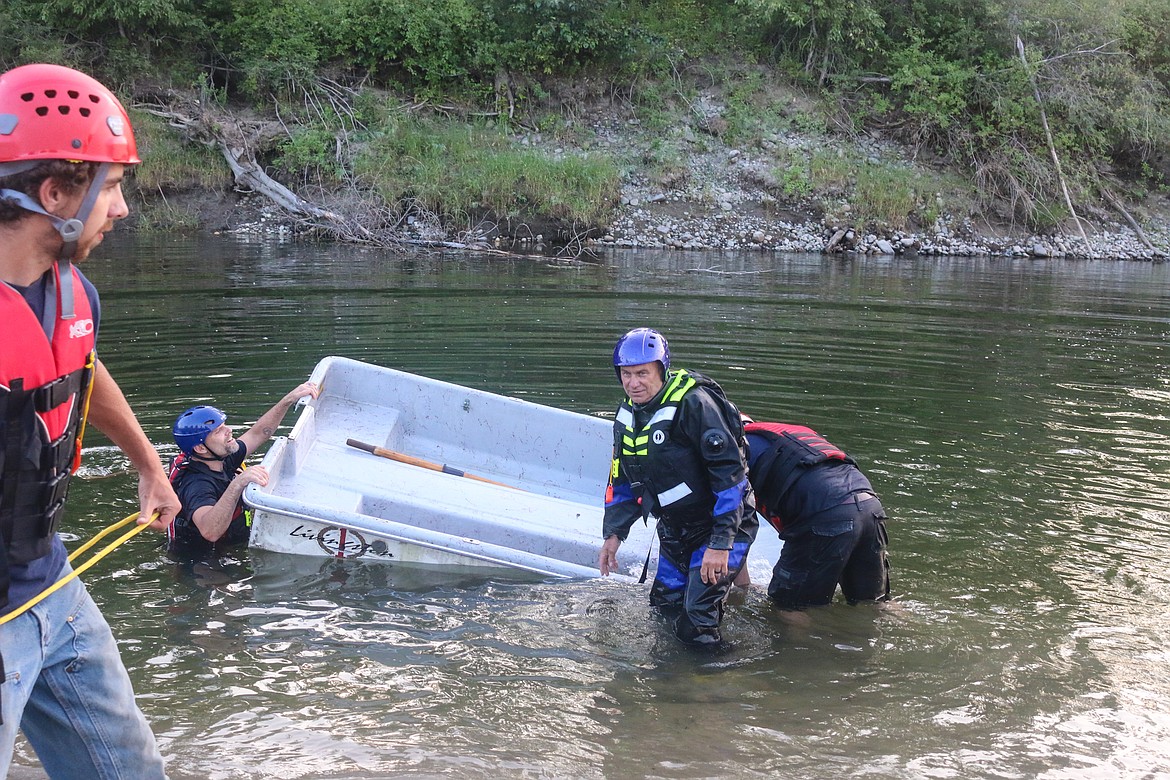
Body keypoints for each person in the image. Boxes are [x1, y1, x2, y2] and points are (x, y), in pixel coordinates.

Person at [0, 63, 180, 777]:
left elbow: (77, 371)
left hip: (51, 586)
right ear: (55, 193)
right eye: (110, 187)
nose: (123, 208)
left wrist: (147, 463)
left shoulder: (71, 294)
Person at [598, 328, 757, 646]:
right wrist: (613, 536)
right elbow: (624, 479)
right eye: (626, 374)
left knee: (696, 622)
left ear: (661, 369)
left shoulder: (694, 404)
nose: (634, 383)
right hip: (675, 530)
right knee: (664, 608)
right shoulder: (628, 415)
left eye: (642, 373)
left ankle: (711, 688)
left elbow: (731, 478)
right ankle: (666, 683)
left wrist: (720, 544)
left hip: (721, 528)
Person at [740, 420, 890, 609]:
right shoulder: (783, 434)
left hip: (824, 513)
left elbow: (736, 529)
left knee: (789, 607)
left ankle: (806, 639)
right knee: (875, 602)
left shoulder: (732, 451)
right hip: (870, 504)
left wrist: (743, 590)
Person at [167, 382, 318, 557]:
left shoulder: (223, 457)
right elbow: (210, 531)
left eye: (225, 425)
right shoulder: (196, 484)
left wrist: (288, 399)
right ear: (200, 448)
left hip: (231, 546)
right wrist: (238, 483)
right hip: (203, 562)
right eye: (218, 431)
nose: (229, 431)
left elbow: (259, 433)